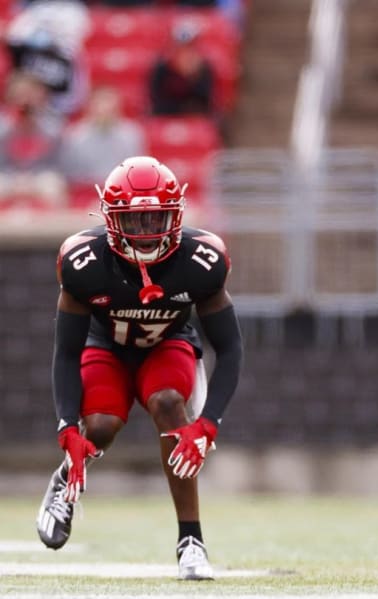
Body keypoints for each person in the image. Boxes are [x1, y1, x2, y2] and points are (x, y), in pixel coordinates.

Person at [35, 156, 243, 580]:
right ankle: (64, 482)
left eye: (156, 218)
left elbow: (231, 346)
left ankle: (191, 541)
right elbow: (66, 352)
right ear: (110, 220)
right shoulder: (83, 263)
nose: (147, 232)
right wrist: (65, 427)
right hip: (106, 347)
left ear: (177, 214)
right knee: (100, 427)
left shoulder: (201, 260)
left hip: (167, 345)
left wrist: (207, 424)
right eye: (135, 220)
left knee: (170, 407)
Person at [60, 85, 147, 196]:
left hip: (121, 193)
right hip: (85, 192)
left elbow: (138, 173)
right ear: (90, 107)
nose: (105, 109)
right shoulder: (74, 136)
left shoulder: (132, 134)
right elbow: (69, 175)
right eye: (100, 104)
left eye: (110, 105)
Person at [0, 70, 67, 207]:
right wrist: (14, 122)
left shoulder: (53, 120)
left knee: (53, 186)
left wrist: (35, 122)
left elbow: (56, 157)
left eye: (29, 92)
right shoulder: (4, 120)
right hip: (8, 175)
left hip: (40, 174)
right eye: (19, 93)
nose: (24, 98)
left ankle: (56, 228)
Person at [148, 21, 216, 116]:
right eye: (181, 46)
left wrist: (193, 77)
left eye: (189, 46)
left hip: (195, 121)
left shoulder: (204, 69)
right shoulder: (162, 69)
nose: (185, 51)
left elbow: (205, 103)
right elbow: (156, 102)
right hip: (166, 120)